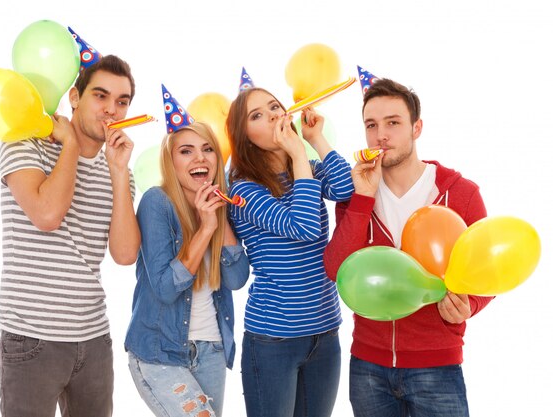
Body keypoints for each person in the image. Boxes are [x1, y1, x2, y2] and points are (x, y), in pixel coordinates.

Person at [323, 78, 494, 417]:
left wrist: (470, 305)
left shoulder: (461, 194)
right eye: (371, 125)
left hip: (437, 368)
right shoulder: (357, 195)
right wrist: (361, 199)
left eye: (393, 123)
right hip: (368, 368)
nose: (380, 135)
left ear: (417, 128)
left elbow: (486, 271)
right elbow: (336, 270)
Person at [0, 54, 141, 417]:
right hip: (31, 337)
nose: (111, 110)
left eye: (121, 101)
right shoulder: (25, 144)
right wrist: (72, 147)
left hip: (93, 339)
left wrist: (120, 174)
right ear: (75, 97)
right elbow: (47, 215)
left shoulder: (119, 169)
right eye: (100, 96)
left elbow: (125, 255)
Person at [226, 86, 354, 417]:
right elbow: (304, 227)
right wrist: (299, 156)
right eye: (256, 115)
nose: (271, 116)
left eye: (274, 107)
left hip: (325, 331)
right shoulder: (243, 190)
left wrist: (316, 140)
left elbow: (345, 189)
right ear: (245, 136)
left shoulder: (305, 166)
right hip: (273, 341)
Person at [124, 85, 250, 417]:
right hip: (160, 353)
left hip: (211, 349)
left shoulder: (216, 208)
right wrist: (205, 229)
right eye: (186, 151)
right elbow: (166, 288)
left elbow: (237, 279)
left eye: (208, 149)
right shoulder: (157, 203)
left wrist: (217, 219)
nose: (199, 158)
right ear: (171, 160)